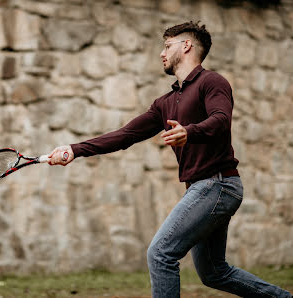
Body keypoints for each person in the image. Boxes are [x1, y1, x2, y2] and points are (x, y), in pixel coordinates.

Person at [47, 21, 292, 298]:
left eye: (167, 46)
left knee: (160, 253)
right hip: (206, 188)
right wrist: (75, 149)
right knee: (214, 272)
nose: (162, 54)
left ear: (186, 46)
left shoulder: (212, 83)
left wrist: (190, 131)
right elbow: (126, 134)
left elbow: (221, 120)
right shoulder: (165, 102)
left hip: (218, 185)